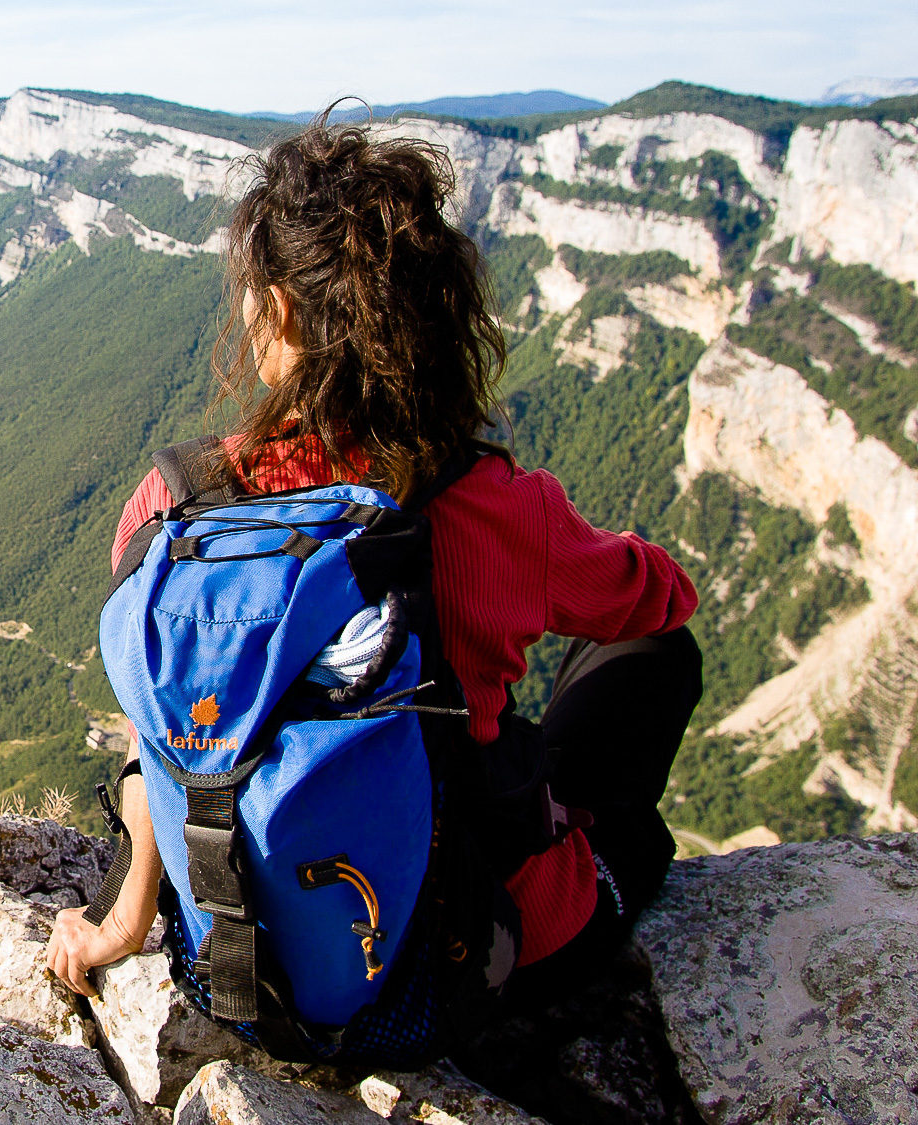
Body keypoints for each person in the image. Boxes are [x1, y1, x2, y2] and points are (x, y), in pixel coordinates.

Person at [44, 115, 702, 1020]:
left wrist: (122, 919)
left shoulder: (173, 513)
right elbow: (657, 599)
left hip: (257, 969)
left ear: (275, 312)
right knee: (656, 666)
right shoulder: (501, 506)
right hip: (486, 956)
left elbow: (160, 731)